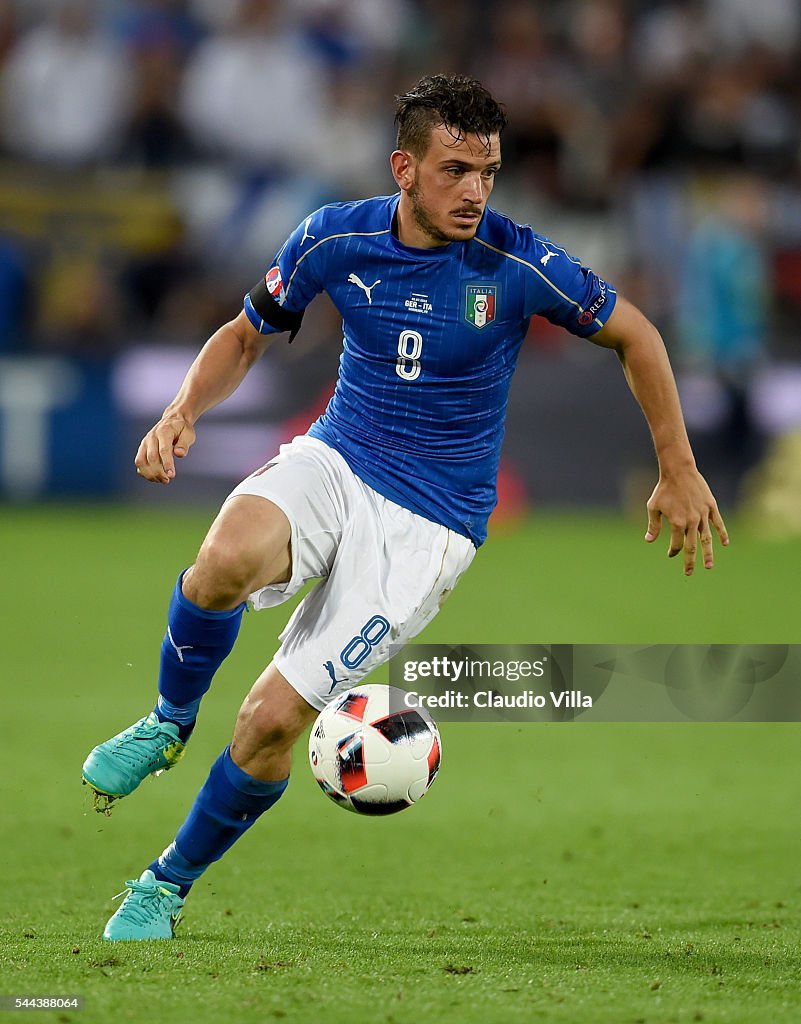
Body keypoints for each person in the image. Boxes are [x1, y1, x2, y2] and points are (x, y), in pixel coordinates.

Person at [82, 73, 728, 941]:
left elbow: (635, 334)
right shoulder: (333, 238)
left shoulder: (515, 263)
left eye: (488, 173)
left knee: (270, 723)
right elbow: (245, 332)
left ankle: (164, 883)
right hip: (338, 457)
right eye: (456, 169)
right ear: (403, 167)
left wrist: (675, 466)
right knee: (222, 560)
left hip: (426, 528)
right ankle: (166, 722)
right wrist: (181, 412)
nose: (475, 192)